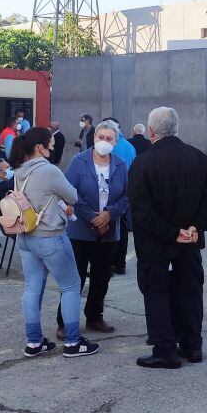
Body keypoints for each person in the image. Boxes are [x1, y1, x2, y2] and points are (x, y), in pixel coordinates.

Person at [128, 106, 207, 368]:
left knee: (156, 293)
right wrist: (195, 227)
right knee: (190, 291)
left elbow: (140, 210)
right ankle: (192, 346)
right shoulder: (199, 159)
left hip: (155, 243)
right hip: (190, 241)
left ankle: (165, 350)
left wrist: (172, 233)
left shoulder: (142, 163)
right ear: (176, 128)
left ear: (151, 131)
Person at [9, 127, 98, 358]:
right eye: (50, 144)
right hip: (49, 235)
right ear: (40, 147)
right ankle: (73, 342)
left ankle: (34, 342)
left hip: (25, 236)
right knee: (70, 286)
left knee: (31, 288)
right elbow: (73, 196)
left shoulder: (19, 170)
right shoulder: (49, 170)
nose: (53, 147)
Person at [60, 122, 130, 337]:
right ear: (94, 137)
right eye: (101, 137)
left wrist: (109, 213)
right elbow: (69, 192)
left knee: (101, 277)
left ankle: (94, 318)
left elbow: (127, 196)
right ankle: (65, 322)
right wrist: (92, 216)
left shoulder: (120, 165)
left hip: (108, 231)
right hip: (81, 230)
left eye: (109, 138)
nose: (104, 141)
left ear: (115, 142)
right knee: (76, 278)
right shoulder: (78, 161)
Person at [101, 119, 136, 275]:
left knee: (108, 231)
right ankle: (120, 264)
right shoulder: (129, 146)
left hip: (109, 195)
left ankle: (107, 265)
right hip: (125, 194)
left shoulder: (109, 147)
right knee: (122, 230)